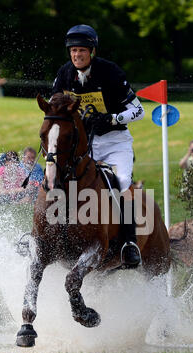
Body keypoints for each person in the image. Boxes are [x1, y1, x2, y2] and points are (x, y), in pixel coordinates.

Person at [50, 24, 145, 266]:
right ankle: (45, 236)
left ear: (92, 51)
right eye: (72, 51)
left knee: (122, 181)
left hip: (115, 140)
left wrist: (112, 118)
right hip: (82, 143)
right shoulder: (64, 74)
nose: (76, 55)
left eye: (81, 50)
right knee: (58, 175)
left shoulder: (110, 72)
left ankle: (129, 242)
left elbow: (139, 110)